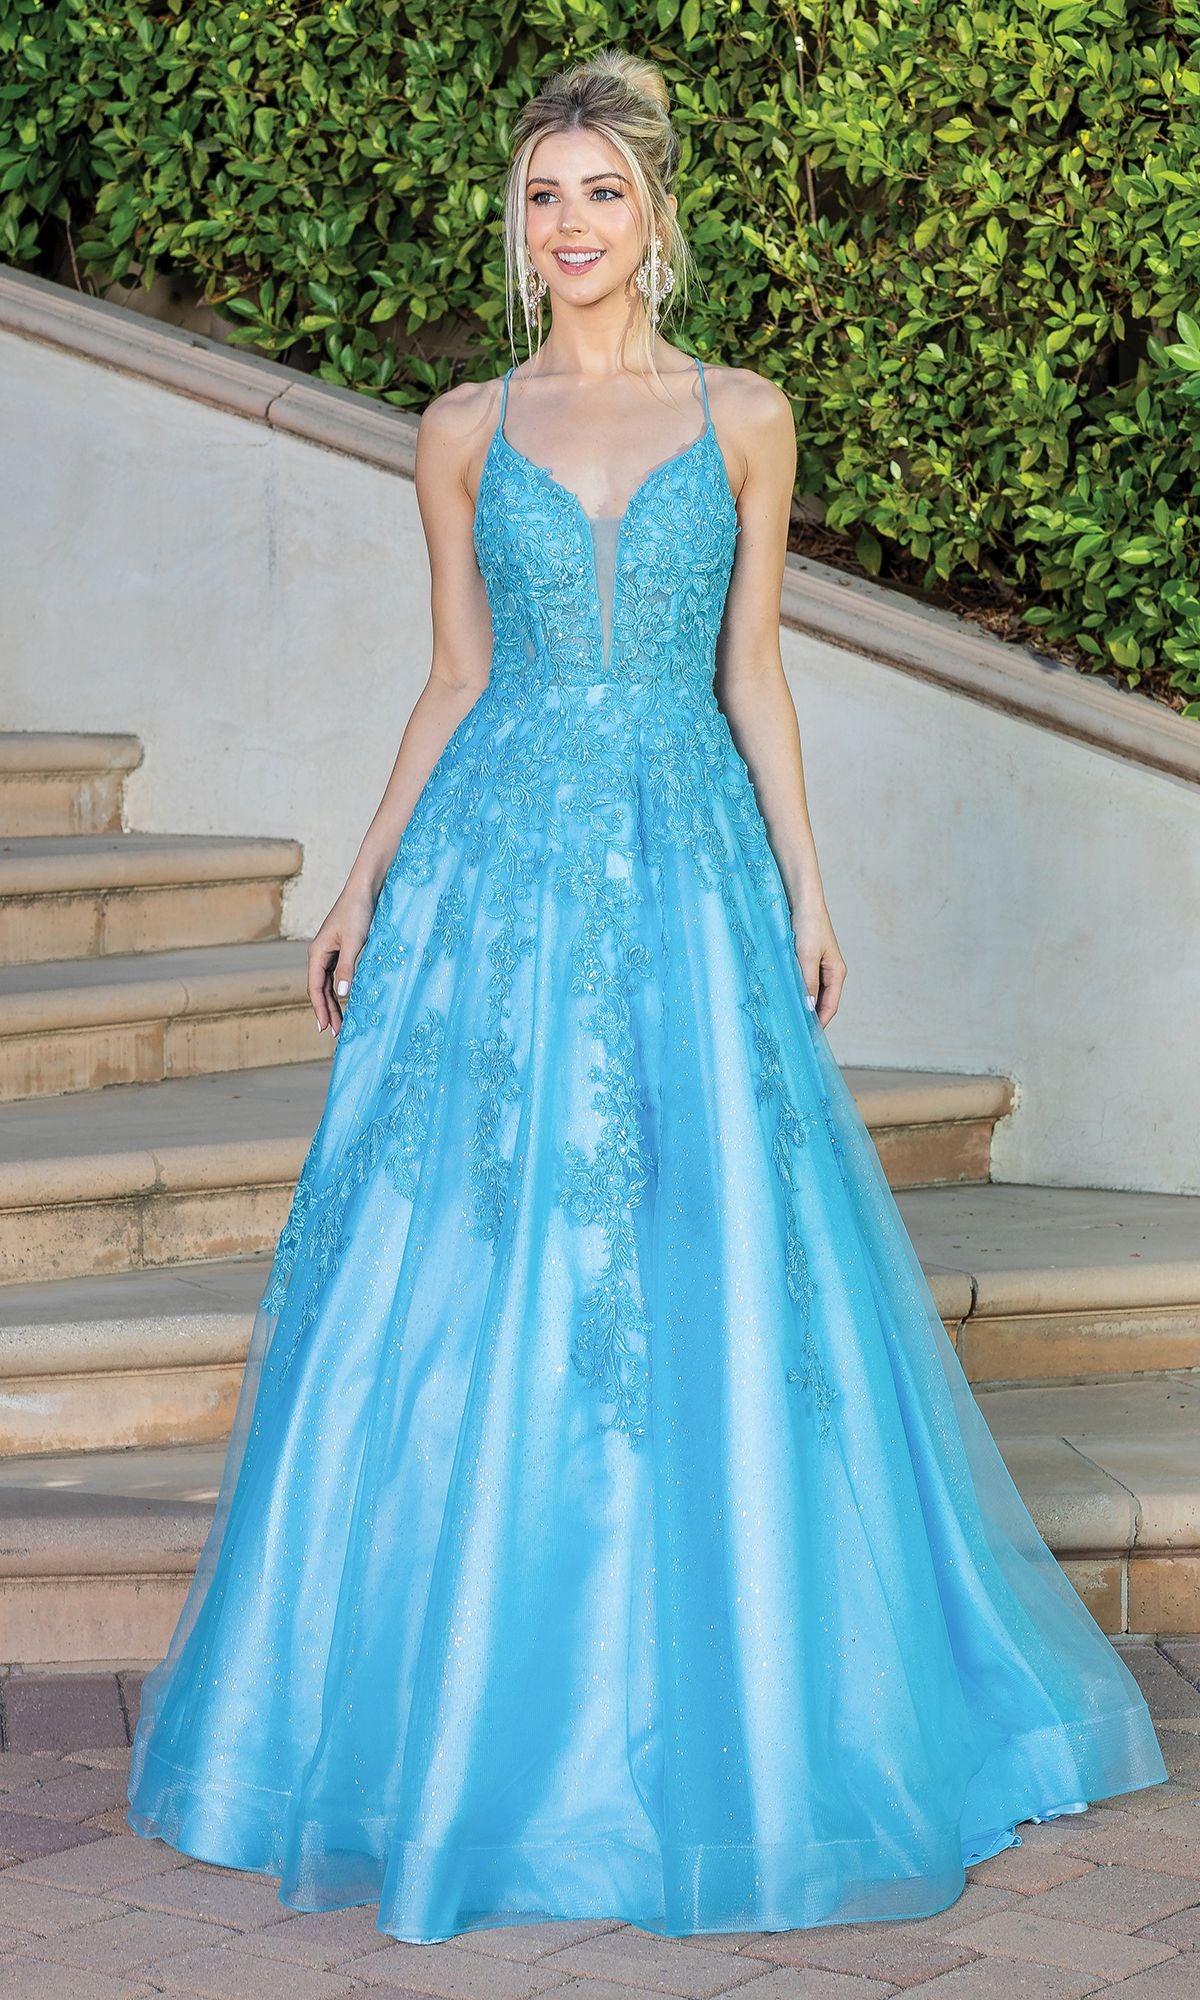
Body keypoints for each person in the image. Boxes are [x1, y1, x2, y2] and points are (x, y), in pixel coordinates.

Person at [127, 45, 1168, 1945]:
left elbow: (756, 669)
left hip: (685, 862)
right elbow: (452, 677)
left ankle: (751, 1700)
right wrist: (362, 884)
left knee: (702, 1246)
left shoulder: (747, 414)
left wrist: (810, 884)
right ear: (515, 230)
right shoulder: (456, 423)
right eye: (541, 196)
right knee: (469, 1257)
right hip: (494, 871)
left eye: (599, 191)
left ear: (654, 216)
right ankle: (448, 1721)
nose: (570, 225)